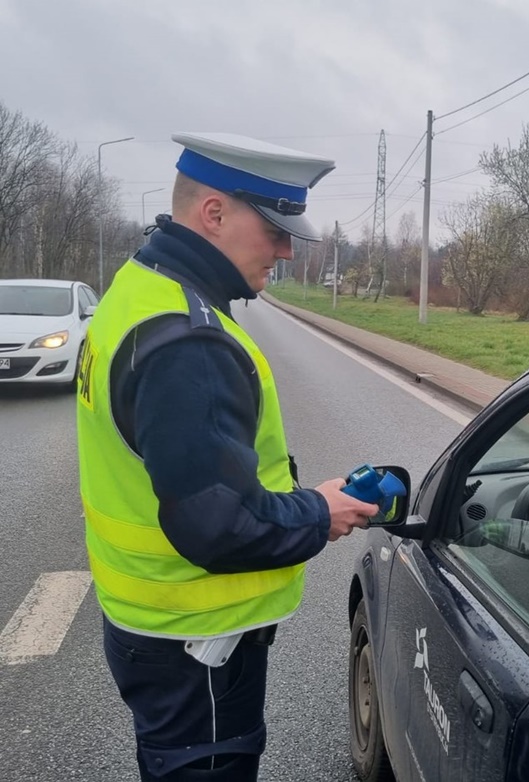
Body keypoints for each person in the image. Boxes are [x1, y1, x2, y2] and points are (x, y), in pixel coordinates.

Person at [77, 132, 380, 781]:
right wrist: (317, 512)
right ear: (213, 214)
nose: (285, 248)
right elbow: (219, 524)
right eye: (273, 228)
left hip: (154, 631)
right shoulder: (191, 343)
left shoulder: (140, 287)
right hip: (198, 649)